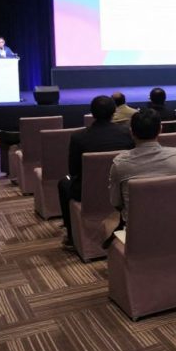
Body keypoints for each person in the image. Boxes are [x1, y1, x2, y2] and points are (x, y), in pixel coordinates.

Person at [57, 95, 134, 246]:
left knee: (63, 184)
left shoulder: (78, 137)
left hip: (88, 191)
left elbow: (73, 171)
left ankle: (71, 237)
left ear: (92, 113)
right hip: (122, 189)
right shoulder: (127, 133)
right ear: (114, 112)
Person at [107, 108, 176, 233]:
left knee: (106, 225)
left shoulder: (120, 164)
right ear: (160, 129)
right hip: (174, 224)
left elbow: (115, 202)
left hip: (136, 231)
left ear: (131, 132)